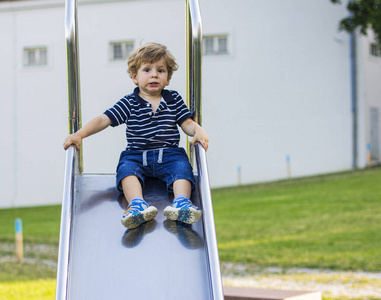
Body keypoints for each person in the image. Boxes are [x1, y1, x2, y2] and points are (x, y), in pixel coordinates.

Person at [63, 42, 209, 230]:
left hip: (169, 154)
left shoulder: (173, 99)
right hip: (137, 154)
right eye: (147, 69)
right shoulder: (129, 102)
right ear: (134, 77)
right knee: (126, 169)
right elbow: (103, 119)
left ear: (168, 78)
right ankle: (137, 205)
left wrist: (198, 130)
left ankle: (181, 202)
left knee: (182, 168)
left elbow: (186, 123)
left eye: (161, 70)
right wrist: (79, 135)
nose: (154, 74)